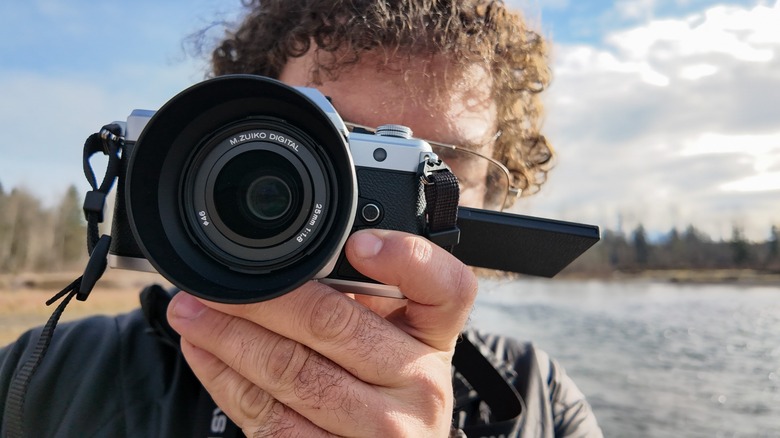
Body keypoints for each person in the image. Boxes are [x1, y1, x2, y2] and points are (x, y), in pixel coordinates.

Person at [0, 1, 602, 436]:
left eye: (438, 170)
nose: (360, 219)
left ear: (490, 194)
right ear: (219, 137)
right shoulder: (42, 375)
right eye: (333, 146)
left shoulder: (537, 401)